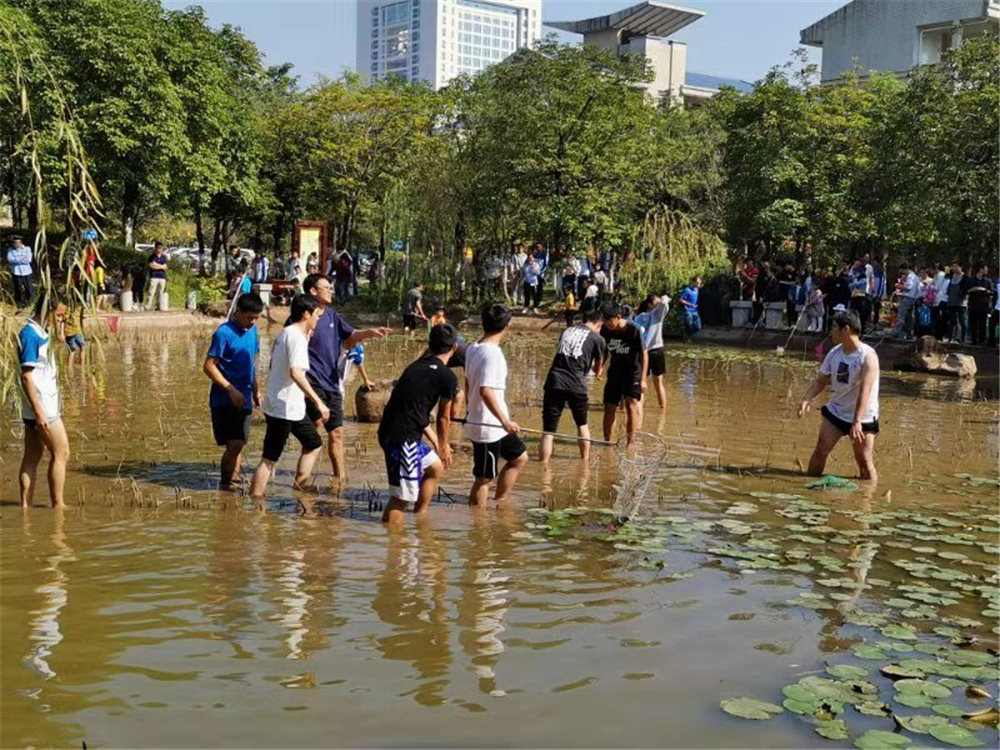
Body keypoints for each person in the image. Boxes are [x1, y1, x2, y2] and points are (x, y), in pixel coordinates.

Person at [302, 273, 391, 481]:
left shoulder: (332, 315)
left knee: (337, 433)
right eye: (326, 287)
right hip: (312, 383)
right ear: (313, 291)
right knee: (314, 432)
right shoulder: (303, 316)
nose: (331, 290)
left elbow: (351, 336)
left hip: (333, 383)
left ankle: (339, 480)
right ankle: (303, 479)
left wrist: (370, 332)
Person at [248, 295, 330, 500]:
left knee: (313, 442)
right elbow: (296, 372)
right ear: (306, 314)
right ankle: (255, 499)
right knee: (269, 459)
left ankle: (300, 486)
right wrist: (318, 401)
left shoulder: (287, 333)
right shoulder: (295, 337)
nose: (318, 320)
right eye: (316, 316)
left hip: (290, 407)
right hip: (283, 409)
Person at [378, 323, 460, 524]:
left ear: (429, 344)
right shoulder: (447, 376)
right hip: (403, 439)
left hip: (393, 431)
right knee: (401, 498)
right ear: (454, 347)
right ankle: (395, 547)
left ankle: (420, 517)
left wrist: (435, 442)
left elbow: (416, 412)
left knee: (435, 467)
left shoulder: (414, 367)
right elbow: (443, 417)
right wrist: (443, 445)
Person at [798, 310, 880, 482]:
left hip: (863, 417)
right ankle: (806, 487)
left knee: (864, 461)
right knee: (821, 449)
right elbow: (821, 381)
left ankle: (869, 498)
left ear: (846, 329)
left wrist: (856, 422)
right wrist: (807, 398)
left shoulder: (868, 357)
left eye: (834, 327)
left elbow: (865, 391)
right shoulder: (834, 353)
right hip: (837, 412)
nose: (831, 332)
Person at [463, 304, 527, 507]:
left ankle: (500, 501)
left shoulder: (474, 348)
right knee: (484, 478)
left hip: (494, 424)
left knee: (519, 457)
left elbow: (468, 382)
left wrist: (470, 408)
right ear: (507, 326)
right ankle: (479, 524)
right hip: (488, 426)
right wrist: (505, 421)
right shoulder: (492, 355)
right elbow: (485, 390)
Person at [203, 293, 263, 489]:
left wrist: (256, 391)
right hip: (224, 399)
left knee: (239, 445)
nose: (252, 322)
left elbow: (250, 364)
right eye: (249, 318)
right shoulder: (224, 333)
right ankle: (226, 485)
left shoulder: (253, 332)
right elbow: (209, 366)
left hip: (244, 397)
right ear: (238, 311)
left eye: (256, 318)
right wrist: (230, 389)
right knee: (234, 444)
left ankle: (233, 483)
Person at [18, 296, 70, 508]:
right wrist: (40, 412)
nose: (61, 320)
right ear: (46, 310)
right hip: (42, 407)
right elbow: (26, 376)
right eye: (58, 315)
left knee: (33, 455)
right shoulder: (30, 335)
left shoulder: (40, 332)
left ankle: (25, 509)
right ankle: (58, 505)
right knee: (62, 452)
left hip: (36, 406)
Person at [539, 308, 606, 462]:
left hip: (554, 381)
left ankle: (543, 468)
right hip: (577, 385)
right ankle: (585, 462)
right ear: (599, 324)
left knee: (548, 431)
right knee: (582, 424)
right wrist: (598, 373)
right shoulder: (597, 338)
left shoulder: (567, 331)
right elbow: (598, 367)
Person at [600, 303, 646, 444]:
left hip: (632, 372)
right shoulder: (605, 330)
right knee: (609, 406)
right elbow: (605, 350)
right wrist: (600, 366)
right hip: (615, 371)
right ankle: (608, 442)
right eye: (604, 320)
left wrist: (643, 379)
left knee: (631, 404)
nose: (606, 323)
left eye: (609, 320)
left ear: (618, 317)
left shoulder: (634, 330)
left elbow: (644, 354)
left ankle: (630, 444)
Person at [634, 292, 670, 408]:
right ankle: (662, 412)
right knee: (658, 384)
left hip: (644, 351)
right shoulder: (657, 314)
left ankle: (640, 413)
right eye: (656, 301)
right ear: (650, 304)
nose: (659, 303)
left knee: (642, 382)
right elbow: (665, 304)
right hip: (656, 351)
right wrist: (663, 300)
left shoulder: (638, 317)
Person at [893, 263, 921, 339]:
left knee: (901, 315)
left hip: (908, 297)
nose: (902, 273)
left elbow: (908, 288)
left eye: (903, 271)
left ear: (906, 269)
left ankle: (895, 331)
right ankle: (909, 333)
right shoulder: (914, 277)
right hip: (912, 298)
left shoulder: (911, 277)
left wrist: (898, 286)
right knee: (909, 317)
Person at [967, 264, 992, 346]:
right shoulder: (971, 280)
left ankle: (982, 341)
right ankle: (974, 340)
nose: (987, 270)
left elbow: (991, 292)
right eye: (985, 268)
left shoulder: (987, 281)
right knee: (973, 323)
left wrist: (985, 290)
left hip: (983, 305)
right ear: (980, 269)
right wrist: (974, 289)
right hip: (973, 305)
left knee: (982, 324)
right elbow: (965, 290)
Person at [7, 236, 34, 308]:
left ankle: (27, 302)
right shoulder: (10, 250)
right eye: (14, 243)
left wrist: (16, 259)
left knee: (29, 288)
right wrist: (21, 259)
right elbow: (10, 260)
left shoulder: (27, 249)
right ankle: (19, 303)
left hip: (27, 272)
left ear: (21, 243)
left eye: (17, 243)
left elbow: (28, 260)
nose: (16, 244)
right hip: (16, 272)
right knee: (18, 289)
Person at [945, 263, 969, 344]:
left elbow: (966, 289)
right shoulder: (951, 276)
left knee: (962, 321)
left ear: (961, 267)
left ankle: (963, 338)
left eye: (956, 266)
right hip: (951, 301)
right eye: (953, 266)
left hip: (961, 302)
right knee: (952, 321)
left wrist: (962, 293)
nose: (954, 268)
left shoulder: (965, 277)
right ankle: (951, 338)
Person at [62, 300, 86, 364]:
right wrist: (62, 332)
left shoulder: (79, 308)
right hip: (70, 333)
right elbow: (63, 320)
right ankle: (69, 369)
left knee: (83, 346)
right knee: (72, 351)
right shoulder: (69, 309)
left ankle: (82, 366)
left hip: (77, 331)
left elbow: (80, 318)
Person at [147, 242, 168, 310]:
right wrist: (161, 266)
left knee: (160, 293)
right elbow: (152, 266)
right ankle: (148, 306)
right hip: (154, 276)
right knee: (151, 292)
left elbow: (165, 267)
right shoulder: (151, 257)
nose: (160, 250)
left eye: (161, 248)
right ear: (155, 248)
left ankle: (159, 306)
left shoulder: (164, 257)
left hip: (162, 277)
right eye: (158, 248)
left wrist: (157, 265)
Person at [930, 264, 949, 339]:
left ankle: (939, 334)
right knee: (939, 318)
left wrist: (930, 287)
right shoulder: (940, 276)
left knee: (938, 319)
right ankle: (939, 334)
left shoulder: (940, 275)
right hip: (938, 299)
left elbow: (936, 287)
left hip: (939, 299)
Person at [871, 259, 887, 328]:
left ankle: (875, 324)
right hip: (871, 293)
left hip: (877, 295)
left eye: (874, 263)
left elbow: (882, 285)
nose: (873, 264)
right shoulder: (871, 271)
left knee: (876, 310)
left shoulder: (881, 273)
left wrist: (880, 295)